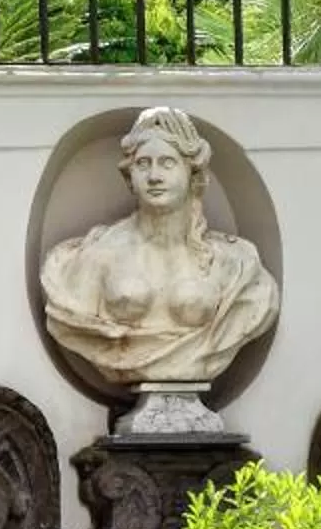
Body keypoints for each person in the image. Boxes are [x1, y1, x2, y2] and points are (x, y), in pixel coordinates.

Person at [38, 105, 277, 397]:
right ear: (130, 176)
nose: (153, 176)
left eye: (167, 163)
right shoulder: (99, 254)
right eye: (143, 164)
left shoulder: (235, 264)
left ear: (192, 173)